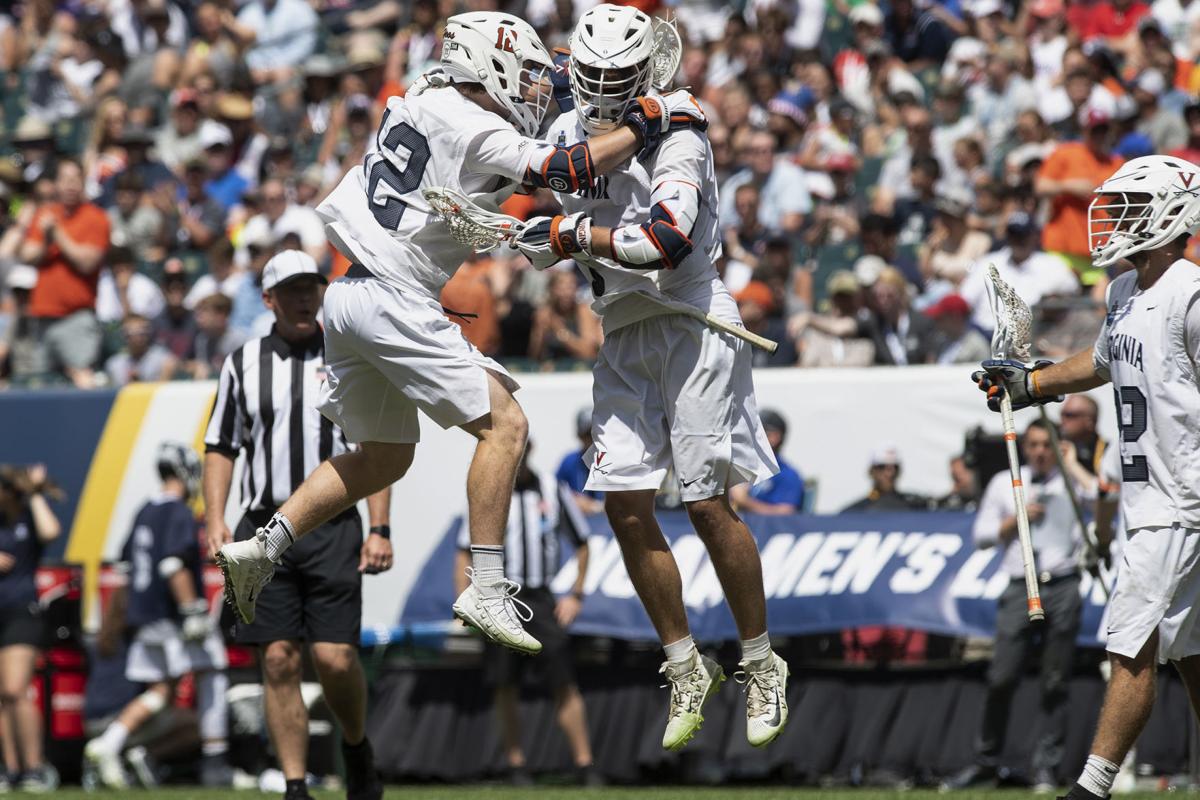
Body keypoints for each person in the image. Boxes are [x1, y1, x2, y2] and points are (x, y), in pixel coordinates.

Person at [214, 13, 706, 659]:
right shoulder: (475, 126)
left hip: (349, 295)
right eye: (523, 76)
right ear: (489, 66)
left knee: (385, 456)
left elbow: (531, 107)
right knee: (506, 427)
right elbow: (571, 167)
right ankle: (488, 584)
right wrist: (649, 116)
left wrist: (576, 72)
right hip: (394, 293)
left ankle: (262, 546)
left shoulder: (427, 97)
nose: (533, 90)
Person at [518, 4, 790, 751]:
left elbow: (662, 241)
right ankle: (685, 663)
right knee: (623, 504)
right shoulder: (568, 132)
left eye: (615, 77)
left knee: (705, 503)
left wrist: (567, 234)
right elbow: (551, 182)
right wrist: (514, 231)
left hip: (693, 317)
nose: (599, 89)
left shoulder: (681, 130)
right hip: (623, 327)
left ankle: (761, 661)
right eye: (592, 75)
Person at [974, 155, 1200, 800]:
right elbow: (1101, 361)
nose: (1118, 219)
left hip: (1183, 498)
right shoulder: (1124, 291)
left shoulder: (1192, 293)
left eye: (1131, 207)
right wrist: (1032, 383)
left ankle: (1090, 788)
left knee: (1132, 640)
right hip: (1151, 497)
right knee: (1192, 652)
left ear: (1171, 216)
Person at [203, 251, 393, 800]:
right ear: (268, 300)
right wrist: (216, 520)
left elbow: (376, 446)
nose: (305, 297)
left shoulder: (348, 357)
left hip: (332, 526)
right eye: (291, 289)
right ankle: (294, 784)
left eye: (311, 286)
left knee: (334, 658)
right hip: (263, 528)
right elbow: (221, 446)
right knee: (279, 658)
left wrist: (379, 526)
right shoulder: (242, 363)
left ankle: (355, 747)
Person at [943, 420, 1094, 792]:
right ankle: (986, 762)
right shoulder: (1005, 482)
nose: (1041, 452)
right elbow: (980, 536)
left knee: (1055, 681)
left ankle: (1047, 766)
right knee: (1001, 676)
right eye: (1035, 445)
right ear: (1025, 447)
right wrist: (1016, 520)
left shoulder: (1071, 480)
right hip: (1019, 585)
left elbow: (1102, 495)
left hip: (1062, 582)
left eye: (1048, 445)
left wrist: (1071, 463)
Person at [452, 441, 599, 786]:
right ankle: (516, 765)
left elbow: (582, 542)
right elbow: (463, 553)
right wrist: (465, 600)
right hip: (499, 597)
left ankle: (584, 764)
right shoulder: (486, 490)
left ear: (528, 448)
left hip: (541, 598)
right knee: (505, 684)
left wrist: (576, 595)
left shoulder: (553, 488)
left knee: (563, 680)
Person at [85, 444, 231, 788]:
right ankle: (216, 761)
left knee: (160, 691)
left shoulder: (144, 510)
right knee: (213, 671)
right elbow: (172, 564)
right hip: (171, 615)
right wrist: (191, 610)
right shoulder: (178, 512)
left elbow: (126, 562)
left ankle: (110, 742)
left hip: (143, 615)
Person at [17, 158, 110, 388]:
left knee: (83, 383)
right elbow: (28, 255)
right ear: (55, 184)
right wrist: (47, 241)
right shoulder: (45, 214)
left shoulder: (96, 218)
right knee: (37, 386)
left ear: (83, 182)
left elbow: (87, 263)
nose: (70, 185)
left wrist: (56, 233)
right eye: (64, 179)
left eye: (75, 179)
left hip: (76, 318)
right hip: (42, 318)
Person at [0, 464, 60, 792]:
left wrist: (36, 494)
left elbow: (51, 532)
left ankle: (35, 767)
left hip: (22, 613)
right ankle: (11, 770)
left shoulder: (27, 517)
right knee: (2, 697)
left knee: (14, 690)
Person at [730, 409, 806, 514]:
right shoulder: (741, 467)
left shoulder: (788, 475)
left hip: (764, 529)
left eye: (757, 432)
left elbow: (786, 514)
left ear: (775, 437)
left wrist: (744, 501)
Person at [842, 447, 928, 511]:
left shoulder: (916, 505)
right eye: (882, 467)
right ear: (872, 471)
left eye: (894, 467)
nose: (889, 473)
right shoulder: (856, 512)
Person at [555, 408, 604, 515]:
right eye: (588, 434)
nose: (593, 439)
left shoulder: (616, 463)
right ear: (579, 436)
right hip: (579, 528)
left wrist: (594, 507)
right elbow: (554, 493)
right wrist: (571, 501)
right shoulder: (569, 462)